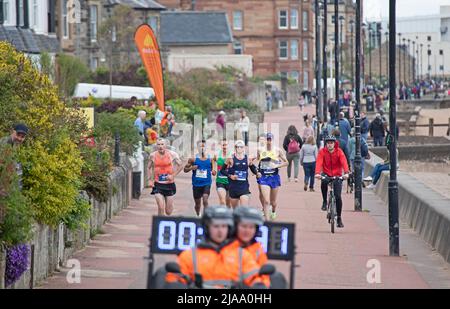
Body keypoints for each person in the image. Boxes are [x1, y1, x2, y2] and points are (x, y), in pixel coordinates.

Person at [165, 206, 268, 289]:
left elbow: (255, 278)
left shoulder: (241, 255)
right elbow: (174, 278)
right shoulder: (190, 255)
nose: (220, 231)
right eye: (216, 226)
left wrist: (258, 285)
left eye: (224, 226)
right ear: (207, 228)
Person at [232, 206, 287, 289]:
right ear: (236, 227)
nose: (247, 231)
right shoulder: (227, 247)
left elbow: (264, 277)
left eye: (251, 227)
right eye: (243, 226)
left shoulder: (257, 249)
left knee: (277, 278)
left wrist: (262, 285)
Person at [315, 135, 349, 228]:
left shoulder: (339, 152)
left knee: (338, 197)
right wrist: (317, 173)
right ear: (326, 144)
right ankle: (325, 202)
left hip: (337, 175)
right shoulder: (322, 152)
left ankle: (339, 218)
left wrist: (346, 173)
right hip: (326, 173)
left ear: (334, 144)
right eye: (328, 143)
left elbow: (344, 162)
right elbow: (319, 162)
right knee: (324, 182)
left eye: (331, 143)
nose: (330, 145)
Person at [255, 133, 288, 221]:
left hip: (274, 177)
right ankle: (267, 221)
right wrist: (256, 170)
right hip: (264, 177)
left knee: (273, 202)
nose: (268, 141)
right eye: (267, 139)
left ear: (272, 140)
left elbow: (286, 162)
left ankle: (273, 211)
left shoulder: (278, 150)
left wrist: (276, 166)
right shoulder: (260, 150)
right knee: (266, 201)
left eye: (270, 140)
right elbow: (258, 161)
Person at [148, 138, 183, 216]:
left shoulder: (172, 154)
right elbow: (149, 167)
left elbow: (180, 165)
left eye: (162, 144)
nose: (160, 146)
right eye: (158, 144)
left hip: (169, 184)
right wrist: (150, 179)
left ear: (166, 145)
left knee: (168, 211)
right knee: (160, 207)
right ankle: (159, 225)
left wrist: (173, 175)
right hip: (157, 184)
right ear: (156, 146)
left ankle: (170, 206)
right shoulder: (152, 155)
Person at [184, 140, 216, 216]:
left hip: (206, 183)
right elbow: (185, 170)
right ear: (197, 147)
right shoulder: (193, 159)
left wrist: (214, 171)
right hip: (196, 184)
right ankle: (198, 214)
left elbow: (213, 169)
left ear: (206, 147)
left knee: (205, 200)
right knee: (197, 205)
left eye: (203, 146)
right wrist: (191, 168)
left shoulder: (210, 158)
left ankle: (205, 216)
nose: (202, 148)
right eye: (200, 146)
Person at [222, 140, 257, 208]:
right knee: (235, 211)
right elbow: (222, 170)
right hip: (233, 187)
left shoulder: (247, 158)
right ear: (235, 148)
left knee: (243, 209)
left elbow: (253, 168)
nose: (239, 148)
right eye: (238, 147)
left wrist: (257, 173)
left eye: (241, 147)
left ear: (244, 148)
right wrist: (230, 176)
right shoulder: (230, 158)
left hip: (244, 187)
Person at [0, 124, 28, 192]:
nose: (19, 138)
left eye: (22, 137)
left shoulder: (14, 145)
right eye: (18, 135)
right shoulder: (5, 143)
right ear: (13, 132)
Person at [212, 139, 232, 207]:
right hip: (220, 181)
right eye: (223, 145)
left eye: (226, 145)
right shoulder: (217, 154)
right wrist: (213, 169)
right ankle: (223, 216)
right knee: (222, 201)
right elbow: (213, 160)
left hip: (230, 182)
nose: (224, 147)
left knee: (228, 203)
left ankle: (228, 216)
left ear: (228, 145)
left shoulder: (231, 155)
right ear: (221, 145)